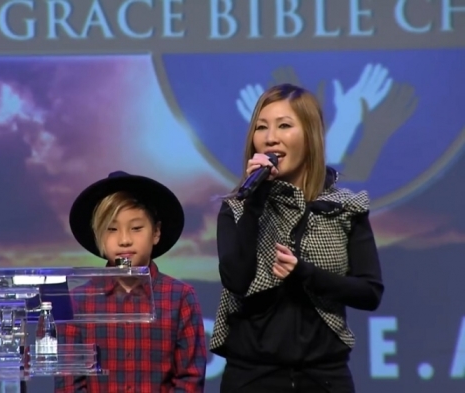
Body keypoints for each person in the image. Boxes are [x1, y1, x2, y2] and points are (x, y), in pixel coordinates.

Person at [211, 84, 384, 392]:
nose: (270, 137)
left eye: (284, 126)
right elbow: (236, 279)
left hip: (324, 378)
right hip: (251, 378)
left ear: (311, 137)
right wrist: (255, 202)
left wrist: (304, 274)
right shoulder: (237, 209)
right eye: (261, 128)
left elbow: (369, 292)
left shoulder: (345, 208)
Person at [54, 171, 207, 392]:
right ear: (99, 237)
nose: (125, 240)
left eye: (136, 228)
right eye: (112, 229)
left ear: (156, 232)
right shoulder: (77, 301)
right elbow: (69, 382)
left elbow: (189, 379)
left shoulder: (180, 297)